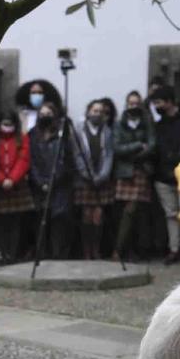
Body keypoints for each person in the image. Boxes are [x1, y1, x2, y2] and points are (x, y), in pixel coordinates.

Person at [110, 96, 159, 262]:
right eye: (131, 103)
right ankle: (120, 249)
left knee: (138, 213)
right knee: (127, 212)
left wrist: (134, 154)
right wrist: (138, 145)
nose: (134, 106)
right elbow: (117, 148)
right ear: (126, 105)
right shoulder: (119, 124)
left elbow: (152, 145)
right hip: (125, 172)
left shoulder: (147, 123)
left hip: (142, 171)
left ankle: (134, 250)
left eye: (137, 103)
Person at [26, 103, 76, 259]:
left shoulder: (63, 135)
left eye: (48, 113)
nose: (45, 116)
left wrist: (53, 181)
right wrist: (41, 182)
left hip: (60, 186)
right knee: (40, 220)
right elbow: (31, 161)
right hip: (39, 185)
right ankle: (42, 254)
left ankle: (58, 255)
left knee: (59, 221)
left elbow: (66, 161)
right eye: (42, 113)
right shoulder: (33, 134)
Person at [149, 84, 180, 263]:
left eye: (159, 102)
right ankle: (174, 249)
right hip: (163, 177)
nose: (156, 107)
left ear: (169, 101)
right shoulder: (158, 125)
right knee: (171, 215)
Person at [71, 99, 114, 260]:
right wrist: (87, 174)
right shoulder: (79, 130)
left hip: (101, 180)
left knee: (98, 215)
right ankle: (86, 250)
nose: (97, 114)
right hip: (85, 179)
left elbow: (109, 154)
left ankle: (96, 249)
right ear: (88, 112)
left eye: (100, 111)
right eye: (94, 111)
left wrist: (103, 175)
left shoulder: (107, 131)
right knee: (86, 215)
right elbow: (77, 154)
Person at [0, 111, 32, 263]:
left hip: (17, 184)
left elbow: (24, 159)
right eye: (4, 124)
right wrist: (2, 179)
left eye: (10, 124)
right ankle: (3, 253)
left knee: (15, 223)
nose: (7, 127)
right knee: (1, 223)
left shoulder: (22, 138)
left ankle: (13, 254)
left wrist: (12, 179)